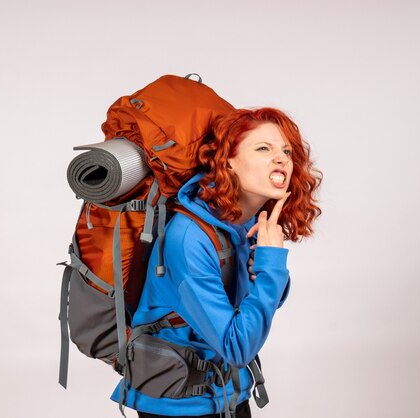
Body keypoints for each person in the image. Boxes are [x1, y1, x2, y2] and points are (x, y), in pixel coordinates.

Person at [111, 107, 322, 418]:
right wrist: (272, 266)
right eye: (264, 148)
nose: (282, 158)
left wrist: (264, 264)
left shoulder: (239, 223)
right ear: (228, 161)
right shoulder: (188, 238)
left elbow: (256, 307)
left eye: (287, 150)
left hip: (227, 393)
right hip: (177, 406)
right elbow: (237, 345)